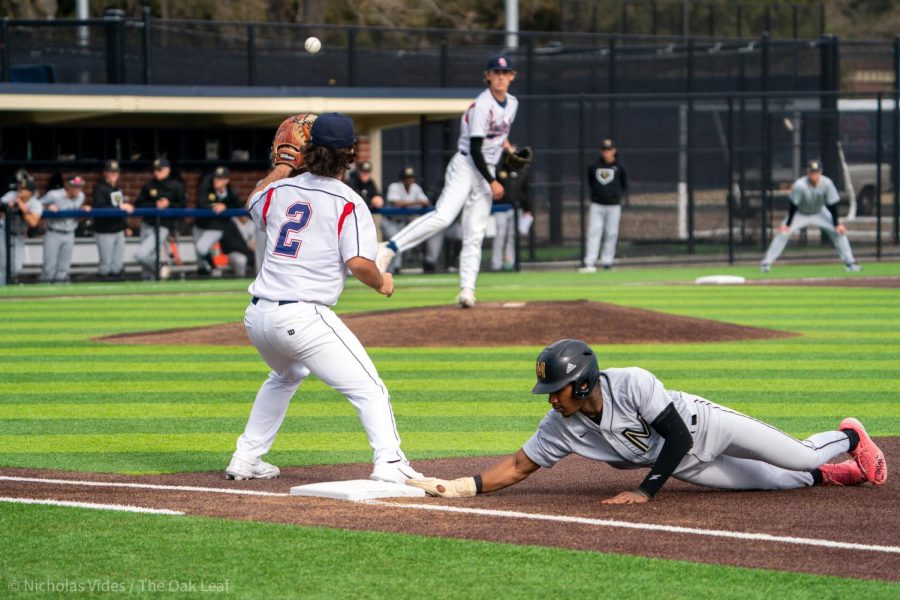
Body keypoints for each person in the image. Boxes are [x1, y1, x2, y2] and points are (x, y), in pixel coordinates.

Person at [407, 338, 887, 502]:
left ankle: (849, 436)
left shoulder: (632, 381)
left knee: (799, 452)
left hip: (707, 427)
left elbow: (675, 435)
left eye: (555, 391)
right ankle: (834, 472)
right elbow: (517, 467)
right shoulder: (560, 426)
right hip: (685, 464)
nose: (549, 400)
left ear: (579, 384)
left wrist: (644, 491)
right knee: (784, 483)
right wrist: (461, 486)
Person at [226, 112, 425, 485]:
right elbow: (359, 264)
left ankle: (246, 456)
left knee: (286, 375)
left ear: (308, 150)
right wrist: (383, 282)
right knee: (369, 388)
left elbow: (254, 199)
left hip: (258, 317)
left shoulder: (276, 191)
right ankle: (390, 462)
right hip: (302, 317)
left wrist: (284, 168)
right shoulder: (348, 201)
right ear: (350, 154)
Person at [376, 54, 519, 308]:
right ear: (487, 76)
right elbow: (476, 149)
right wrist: (493, 181)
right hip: (467, 165)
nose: (500, 76)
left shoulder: (512, 103)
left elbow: (498, 136)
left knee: (475, 232)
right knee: (443, 215)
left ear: (512, 76)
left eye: (505, 73)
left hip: (486, 169)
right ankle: (389, 247)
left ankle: (467, 290)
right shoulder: (482, 105)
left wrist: (507, 149)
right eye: (495, 72)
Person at [761, 160, 861, 273]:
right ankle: (766, 263)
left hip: (819, 211)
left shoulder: (827, 183)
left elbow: (832, 205)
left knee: (839, 232)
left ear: (821, 172)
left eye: (816, 171)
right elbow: (794, 205)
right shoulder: (800, 185)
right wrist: (788, 224)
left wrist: (837, 224)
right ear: (807, 173)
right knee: (783, 233)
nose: (814, 174)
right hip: (800, 213)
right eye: (812, 172)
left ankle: (850, 263)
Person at [580, 138, 628, 273]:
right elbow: (591, 181)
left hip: (613, 205)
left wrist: (616, 196)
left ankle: (608, 261)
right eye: (604, 150)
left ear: (614, 150)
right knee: (594, 232)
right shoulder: (594, 166)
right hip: (597, 204)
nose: (607, 153)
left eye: (609, 150)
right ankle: (590, 262)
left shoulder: (620, 167)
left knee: (611, 233)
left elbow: (624, 184)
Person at [134, 158, 186, 280]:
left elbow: (182, 207)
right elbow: (138, 205)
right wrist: (155, 205)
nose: (156, 172)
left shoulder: (176, 186)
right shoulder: (149, 185)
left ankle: (161, 268)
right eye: (155, 170)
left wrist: (168, 205)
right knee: (146, 262)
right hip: (147, 224)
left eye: (159, 170)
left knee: (141, 255)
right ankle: (149, 284)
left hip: (163, 226)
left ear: (167, 170)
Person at [383, 166, 441, 273]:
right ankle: (392, 270)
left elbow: (426, 202)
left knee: (401, 244)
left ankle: (396, 269)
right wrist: (415, 202)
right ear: (402, 179)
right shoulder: (394, 186)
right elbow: (395, 203)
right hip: (390, 221)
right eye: (406, 178)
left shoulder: (415, 187)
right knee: (394, 243)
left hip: (404, 222)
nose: (409, 180)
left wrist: (409, 203)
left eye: (411, 177)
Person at [194, 166, 242, 277]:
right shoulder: (206, 186)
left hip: (217, 227)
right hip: (201, 225)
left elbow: (239, 205)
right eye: (216, 177)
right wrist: (213, 205)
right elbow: (201, 202)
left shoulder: (230, 192)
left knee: (201, 248)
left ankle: (214, 267)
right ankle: (204, 275)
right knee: (200, 257)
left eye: (220, 178)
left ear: (227, 180)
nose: (217, 180)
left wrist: (225, 206)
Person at [40, 174, 89, 283]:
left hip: (70, 233)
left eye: (79, 186)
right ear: (67, 185)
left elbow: (76, 215)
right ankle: (43, 292)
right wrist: (48, 208)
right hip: (54, 232)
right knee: (49, 267)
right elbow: (37, 205)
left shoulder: (81, 196)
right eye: (75, 186)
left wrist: (82, 210)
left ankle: (59, 294)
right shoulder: (54, 195)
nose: (77, 189)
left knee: (64, 267)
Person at [491, 147, 532, 272]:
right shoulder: (499, 170)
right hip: (501, 209)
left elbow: (525, 192)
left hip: (516, 209)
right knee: (500, 236)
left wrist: (527, 209)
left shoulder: (521, 172)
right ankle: (496, 264)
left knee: (512, 237)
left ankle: (510, 262)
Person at [92, 160, 133, 280]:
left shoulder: (117, 189)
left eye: (116, 172)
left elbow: (120, 211)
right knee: (106, 265)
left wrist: (126, 226)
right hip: (104, 231)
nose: (114, 174)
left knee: (117, 265)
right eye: (111, 172)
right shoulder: (100, 189)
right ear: (105, 173)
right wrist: (119, 207)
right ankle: (102, 294)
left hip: (118, 230)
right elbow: (99, 208)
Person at [0, 177, 42, 284]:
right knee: (2, 265)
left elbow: (33, 222)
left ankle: (8, 287)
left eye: (23, 189)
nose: (20, 191)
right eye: (19, 188)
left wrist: (23, 208)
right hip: (3, 232)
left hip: (18, 236)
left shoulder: (35, 203)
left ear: (30, 192)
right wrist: (5, 206)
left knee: (16, 266)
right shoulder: (11, 195)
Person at [345, 161, 385, 241]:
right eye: (363, 172)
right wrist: (371, 201)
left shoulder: (370, 183)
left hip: (365, 219)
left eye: (367, 172)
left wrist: (379, 199)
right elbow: (357, 199)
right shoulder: (351, 182)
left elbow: (377, 195)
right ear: (358, 171)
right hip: (352, 220)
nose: (365, 174)